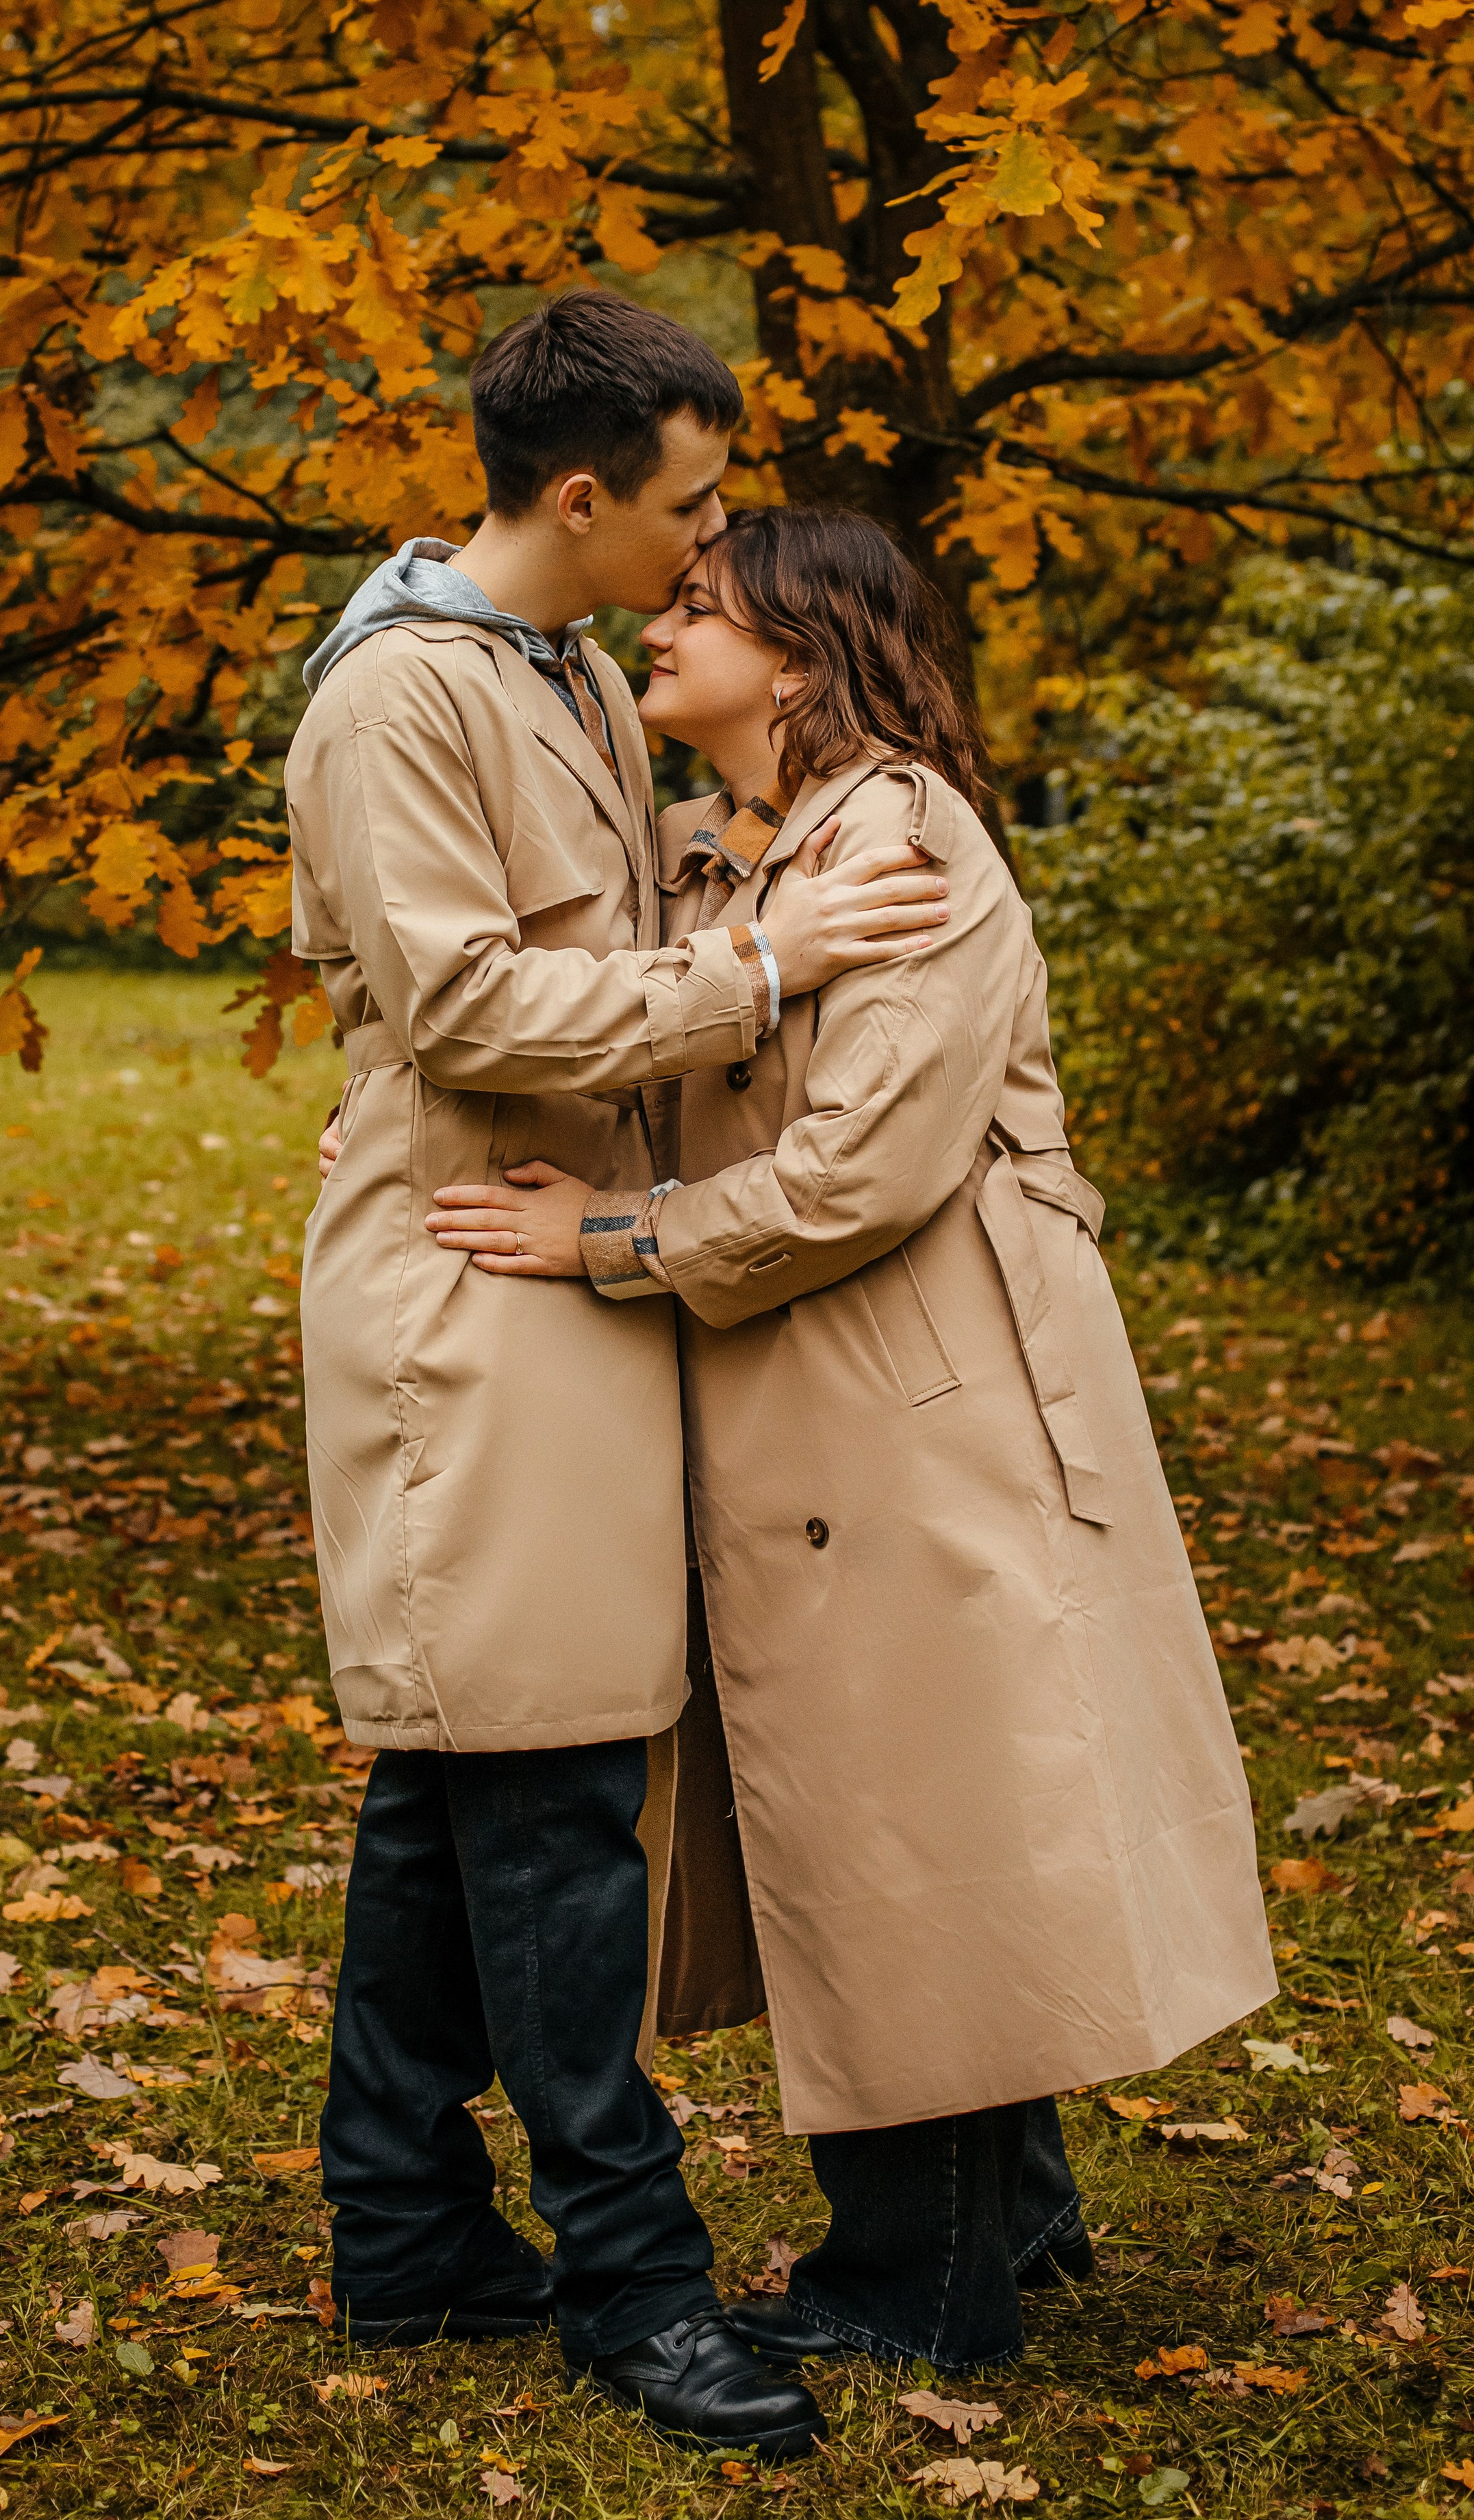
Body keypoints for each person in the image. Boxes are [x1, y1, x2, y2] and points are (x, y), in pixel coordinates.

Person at [421, 504, 1280, 2377]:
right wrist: (417, 1129)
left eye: (701, 609)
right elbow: (614, 1032)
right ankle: (1014, 2210)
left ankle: (919, 2281)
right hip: (830, 1411)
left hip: (924, 1407)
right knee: (929, 1813)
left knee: (927, 1828)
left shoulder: (902, 842)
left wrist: (607, 1242)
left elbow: (859, 1175)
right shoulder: (727, 851)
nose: (661, 627)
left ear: (798, 657)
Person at [287, 294, 948, 2456]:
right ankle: (633, 2280)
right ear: (584, 495)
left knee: (480, 1758)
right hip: (470, 1270)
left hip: (577, 1257)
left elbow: (619, 918)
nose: (712, 539)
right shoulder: (397, 697)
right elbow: (475, 1007)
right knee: (551, 1787)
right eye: (690, 501)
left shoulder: (565, 667)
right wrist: (759, 964)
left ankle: (401, 2230)